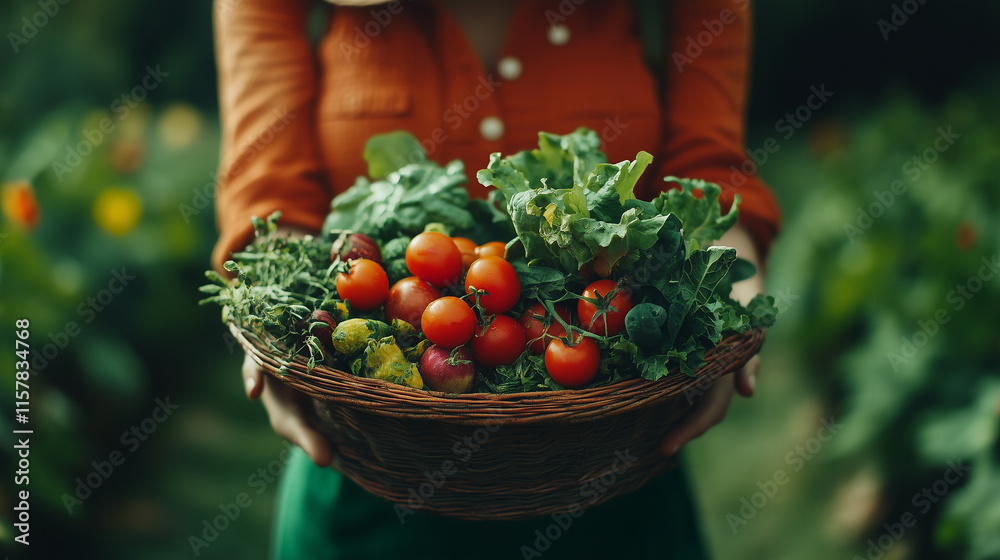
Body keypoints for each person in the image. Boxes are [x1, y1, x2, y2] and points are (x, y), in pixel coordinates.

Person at [211, 0, 781, 557]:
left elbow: (708, 176)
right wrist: (281, 333)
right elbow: (271, 198)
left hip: (618, 463)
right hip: (366, 472)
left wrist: (718, 308)